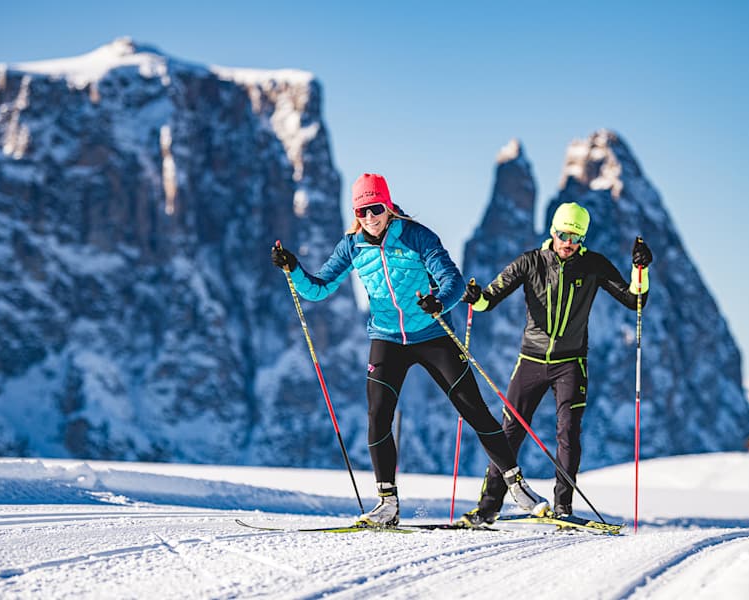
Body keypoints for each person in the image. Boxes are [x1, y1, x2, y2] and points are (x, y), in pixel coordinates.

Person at [271, 173, 549, 527]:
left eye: (376, 208)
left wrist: (439, 302)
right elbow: (319, 288)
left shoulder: (417, 236)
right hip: (387, 339)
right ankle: (387, 503)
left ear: (388, 206)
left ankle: (517, 485)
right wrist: (293, 268)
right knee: (378, 416)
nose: (370, 217)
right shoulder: (352, 246)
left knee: (474, 409)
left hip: (431, 334)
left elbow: (452, 280)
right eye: (361, 211)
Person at [455, 202, 653, 528]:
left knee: (568, 432)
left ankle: (563, 507)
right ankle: (488, 508)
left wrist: (639, 270)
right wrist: (475, 297)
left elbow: (635, 300)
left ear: (583, 239)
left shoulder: (593, 265)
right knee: (508, 433)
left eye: (575, 237)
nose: (568, 243)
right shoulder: (531, 262)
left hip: (570, 363)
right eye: (563, 234)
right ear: (553, 231)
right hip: (530, 360)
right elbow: (489, 300)